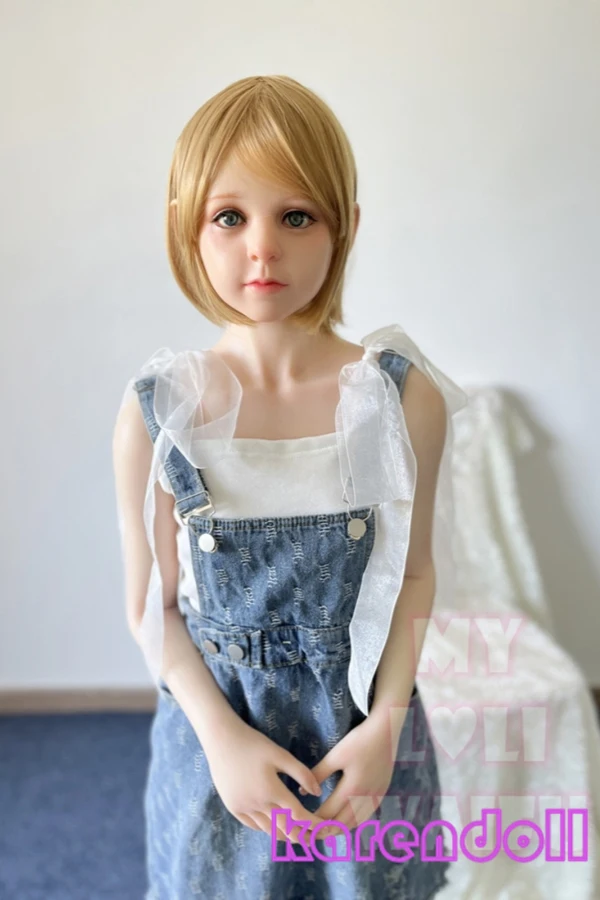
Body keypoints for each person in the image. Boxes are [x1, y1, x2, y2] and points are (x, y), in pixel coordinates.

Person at [112, 74, 467, 899]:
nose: (262, 248)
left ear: (344, 227)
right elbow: (150, 609)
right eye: (230, 217)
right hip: (217, 753)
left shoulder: (398, 399)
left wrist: (385, 726)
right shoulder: (158, 412)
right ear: (188, 226)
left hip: (362, 748)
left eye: (296, 216)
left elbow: (414, 576)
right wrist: (220, 738)